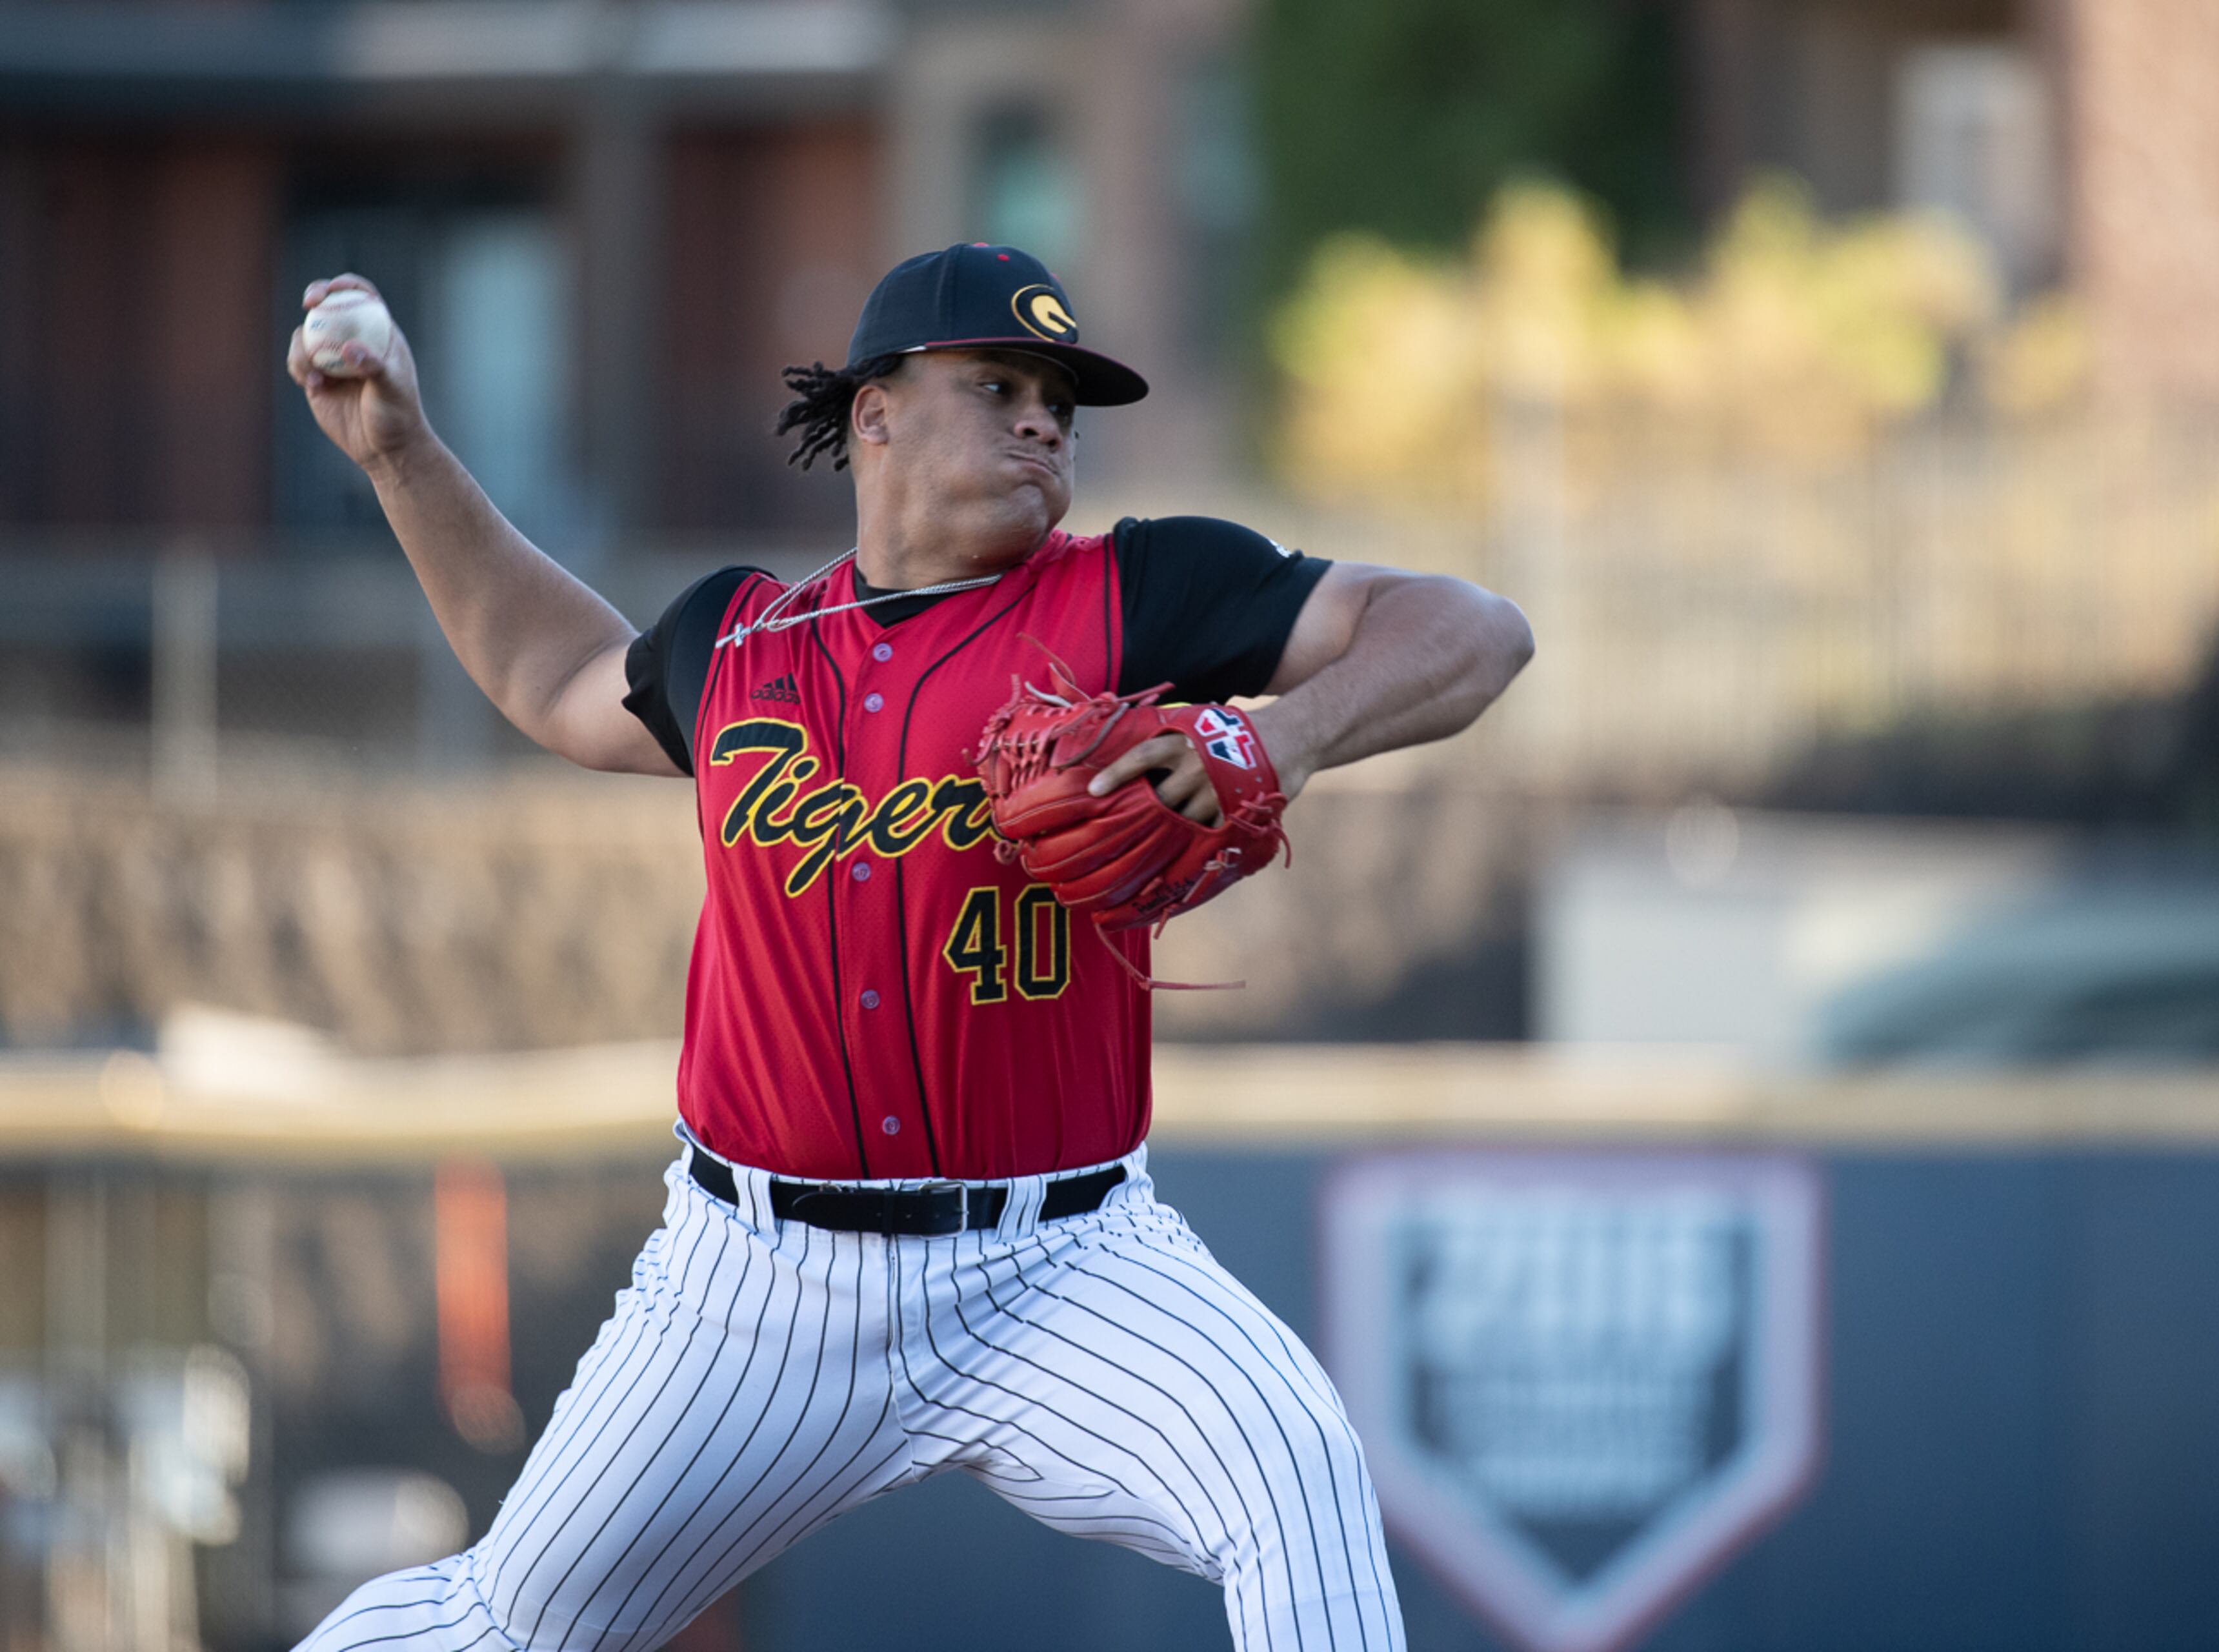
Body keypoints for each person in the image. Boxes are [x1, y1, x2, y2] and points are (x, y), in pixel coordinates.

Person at [285, 241, 1532, 1652]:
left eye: (1060, 397)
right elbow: (551, 673)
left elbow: (1475, 630)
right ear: (874, 412)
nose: (1042, 418)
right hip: (752, 1286)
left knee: (1296, 1474)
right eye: (998, 380)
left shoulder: (1142, 595)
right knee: (505, 1621)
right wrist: (400, 454)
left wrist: (1276, 733)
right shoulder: (743, 642)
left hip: (1065, 1265)